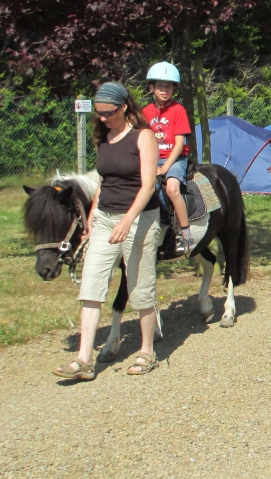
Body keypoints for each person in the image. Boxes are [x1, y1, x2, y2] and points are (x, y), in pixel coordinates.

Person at [54, 82, 161, 380]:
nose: (102, 118)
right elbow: (104, 181)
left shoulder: (144, 137)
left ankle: (147, 351)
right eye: (98, 113)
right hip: (104, 219)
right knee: (92, 284)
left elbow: (148, 185)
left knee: (140, 285)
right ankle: (84, 359)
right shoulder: (103, 136)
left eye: (108, 113)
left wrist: (127, 220)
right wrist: (90, 219)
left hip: (139, 218)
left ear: (124, 106)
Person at [143, 62, 194, 254]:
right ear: (151, 88)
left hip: (175, 158)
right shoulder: (145, 112)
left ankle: (186, 233)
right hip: (153, 159)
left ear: (174, 89)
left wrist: (165, 169)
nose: (165, 90)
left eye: (169, 86)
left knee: (172, 188)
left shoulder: (178, 110)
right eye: (160, 86)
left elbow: (180, 143)